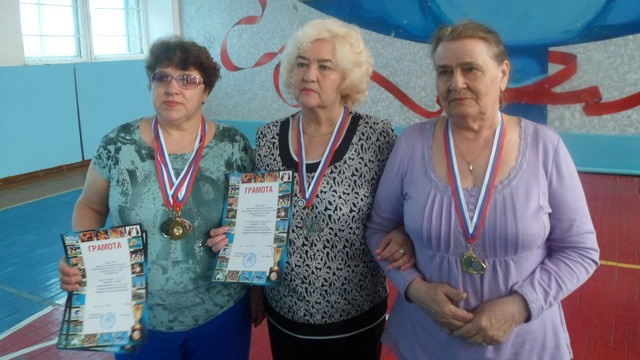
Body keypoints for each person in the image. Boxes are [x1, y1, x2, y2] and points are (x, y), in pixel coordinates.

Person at [366, 20, 600, 360]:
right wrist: (414, 289)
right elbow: (378, 230)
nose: (456, 83)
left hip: (525, 345)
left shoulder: (544, 147)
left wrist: (520, 306)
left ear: (502, 74)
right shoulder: (411, 144)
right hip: (428, 343)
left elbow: (580, 250)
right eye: (444, 72)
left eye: (470, 69)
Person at [208, 18, 414, 360]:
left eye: (324, 66)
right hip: (285, 309)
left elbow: (406, 206)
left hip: (356, 312)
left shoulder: (376, 137)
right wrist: (247, 269)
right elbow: (258, 220)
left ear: (346, 76)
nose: (309, 75)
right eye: (302, 64)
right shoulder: (268, 138)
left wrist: (405, 231)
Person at [59, 36, 256, 360]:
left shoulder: (234, 146)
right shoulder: (118, 145)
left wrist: (250, 266)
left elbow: (253, 222)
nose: (172, 88)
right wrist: (83, 257)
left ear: (206, 91)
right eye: (162, 77)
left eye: (187, 79)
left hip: (221, 310)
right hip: (137, 314)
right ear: (151, 84)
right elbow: (90, 205)